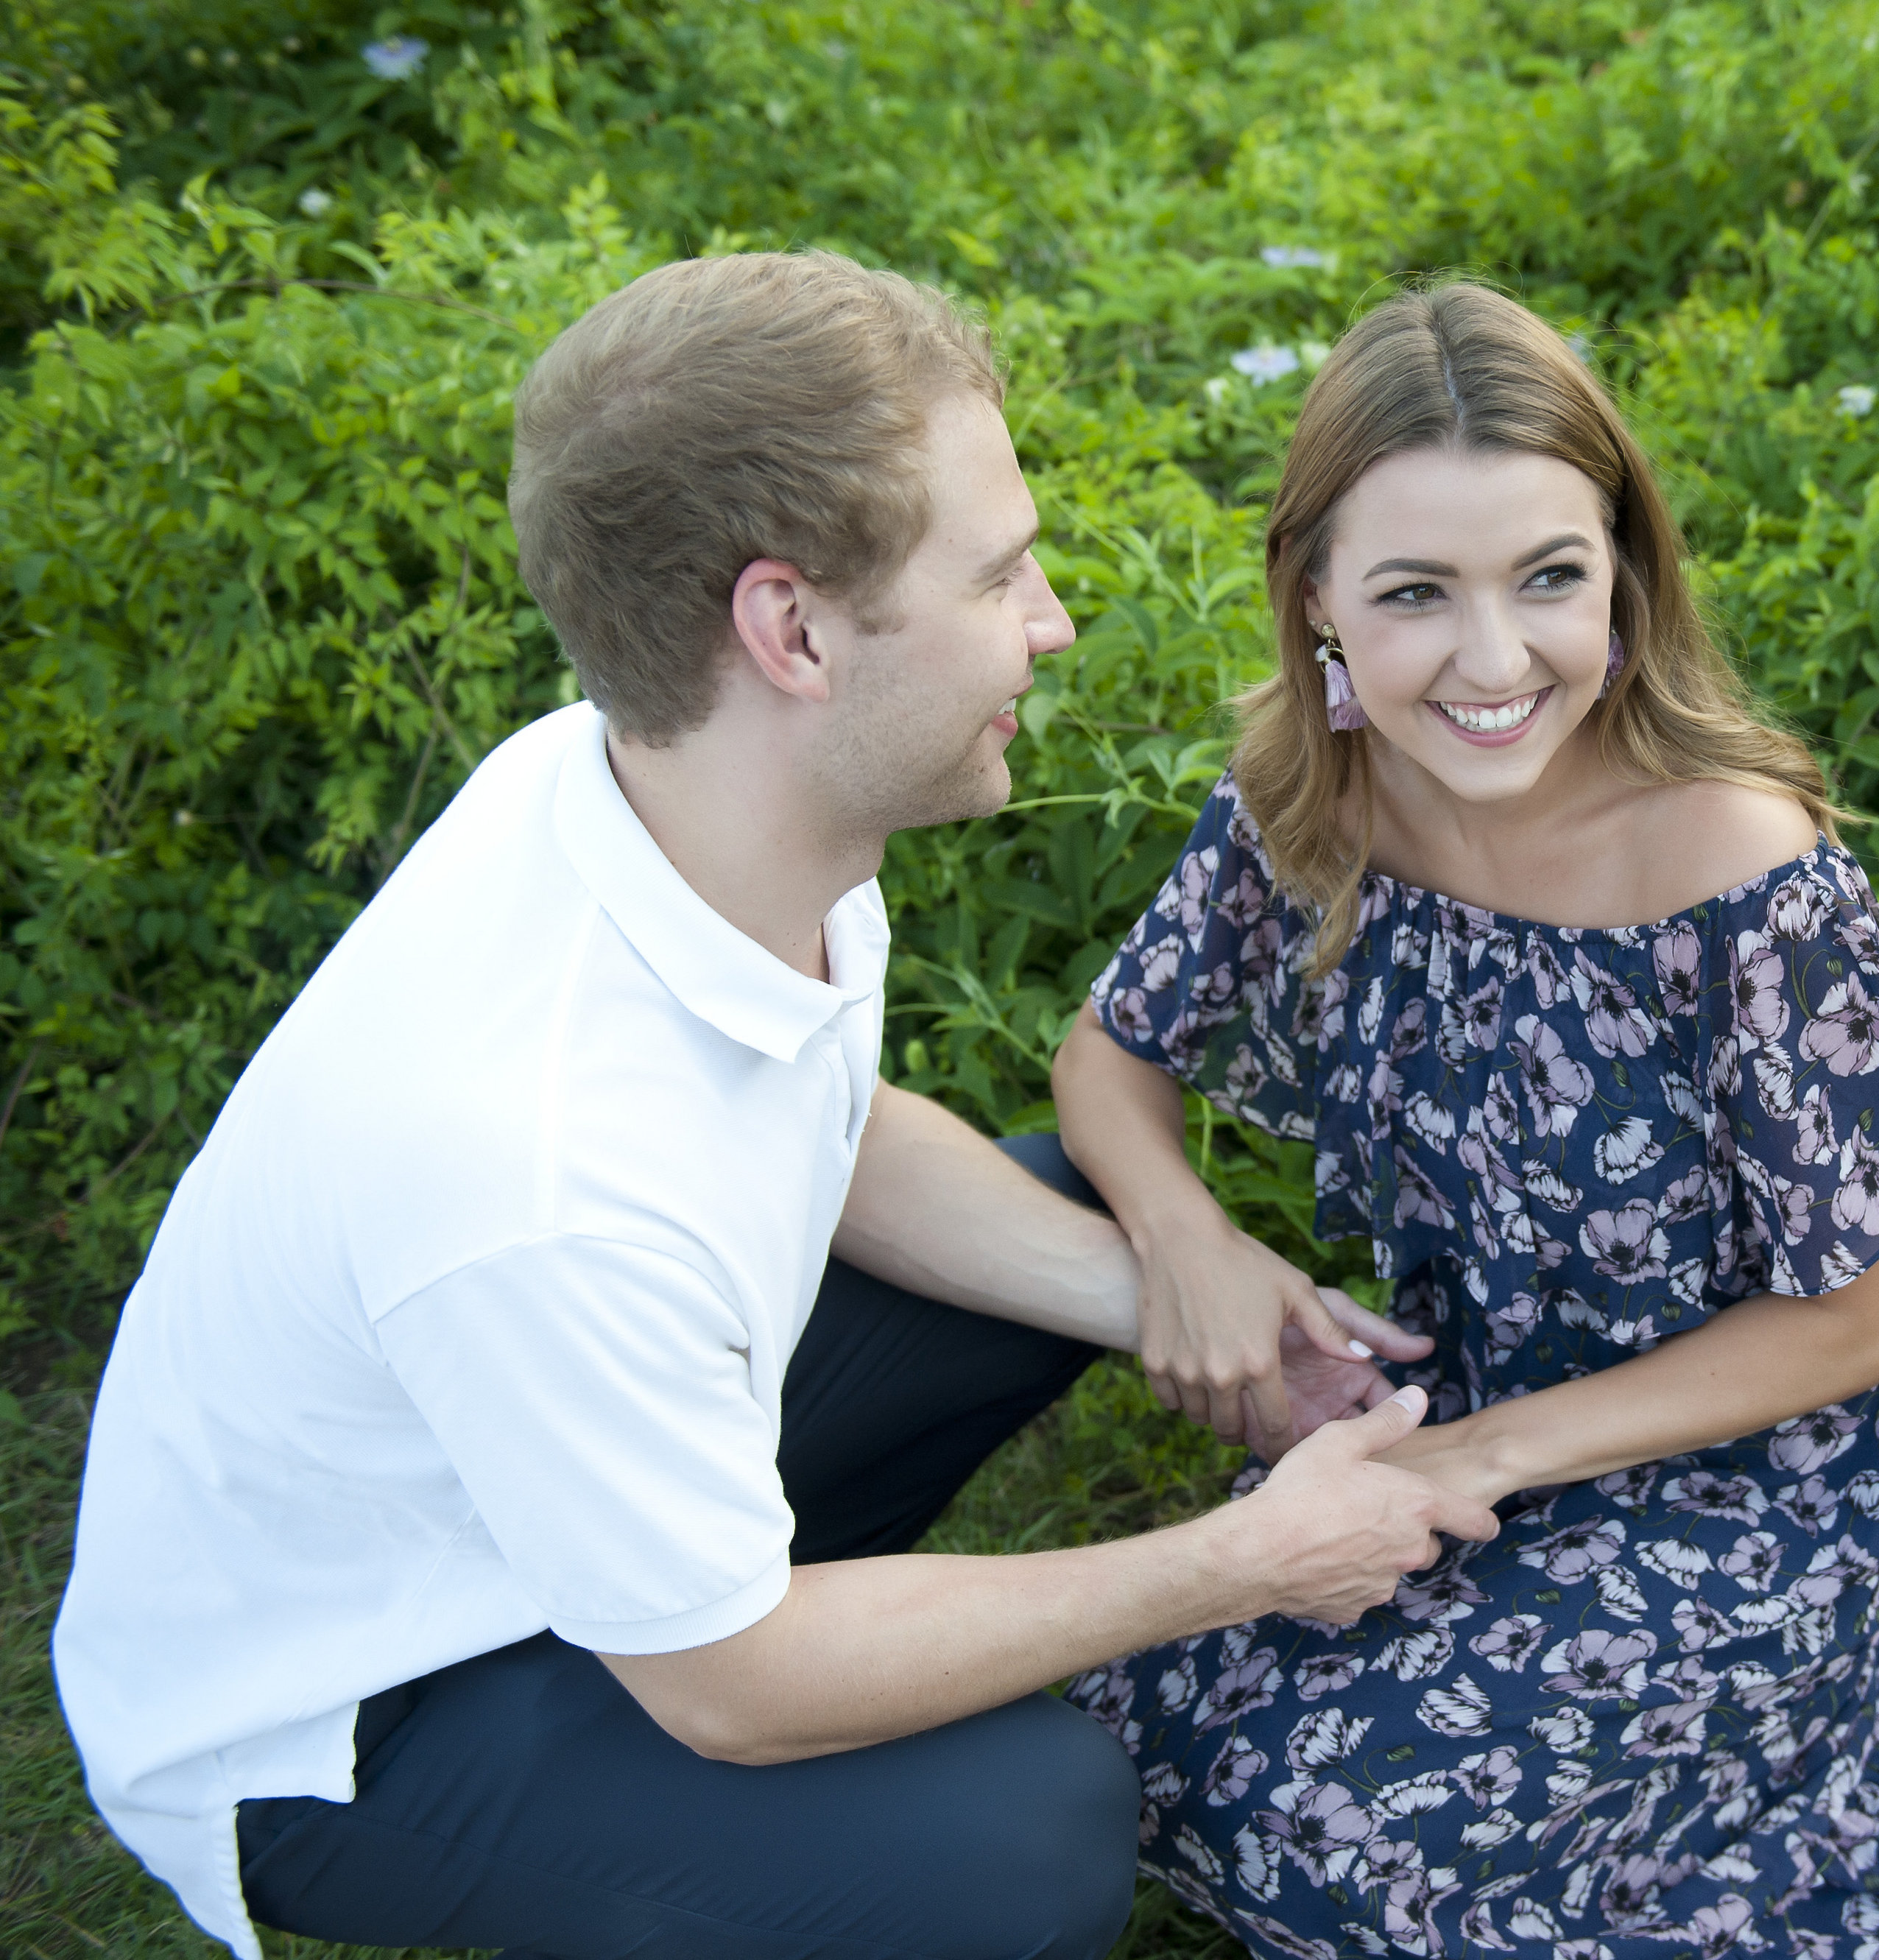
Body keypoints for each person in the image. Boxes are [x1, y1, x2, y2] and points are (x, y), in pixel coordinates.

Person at [52, 250, 1499, 1960]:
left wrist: (1179, 1307)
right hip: (371, 1694)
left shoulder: (670, 796)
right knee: (1015, 1837)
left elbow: (820, 1128)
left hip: (547, 1469)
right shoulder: (531, 1162)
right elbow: (734, 1685)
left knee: (1062, 1210)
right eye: (998, 575)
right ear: (791, 630)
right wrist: (1249, 1555)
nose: (1051, 619)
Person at [1051, 283, 1879, 1958]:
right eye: (1416, 592)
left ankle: (1845, 1760)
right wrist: (1185, 1233)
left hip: (1748, 1484)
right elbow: (1109, 1053)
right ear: (1317, 598)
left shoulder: (1733, 862)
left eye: (1548, 578)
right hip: (1459, 1412)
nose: (1493, 663)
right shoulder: (1310, 791)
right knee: (1115, 1732)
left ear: (1624, 578)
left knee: (1336, 1835)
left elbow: (1857, 1319)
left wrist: (1474, 1456)